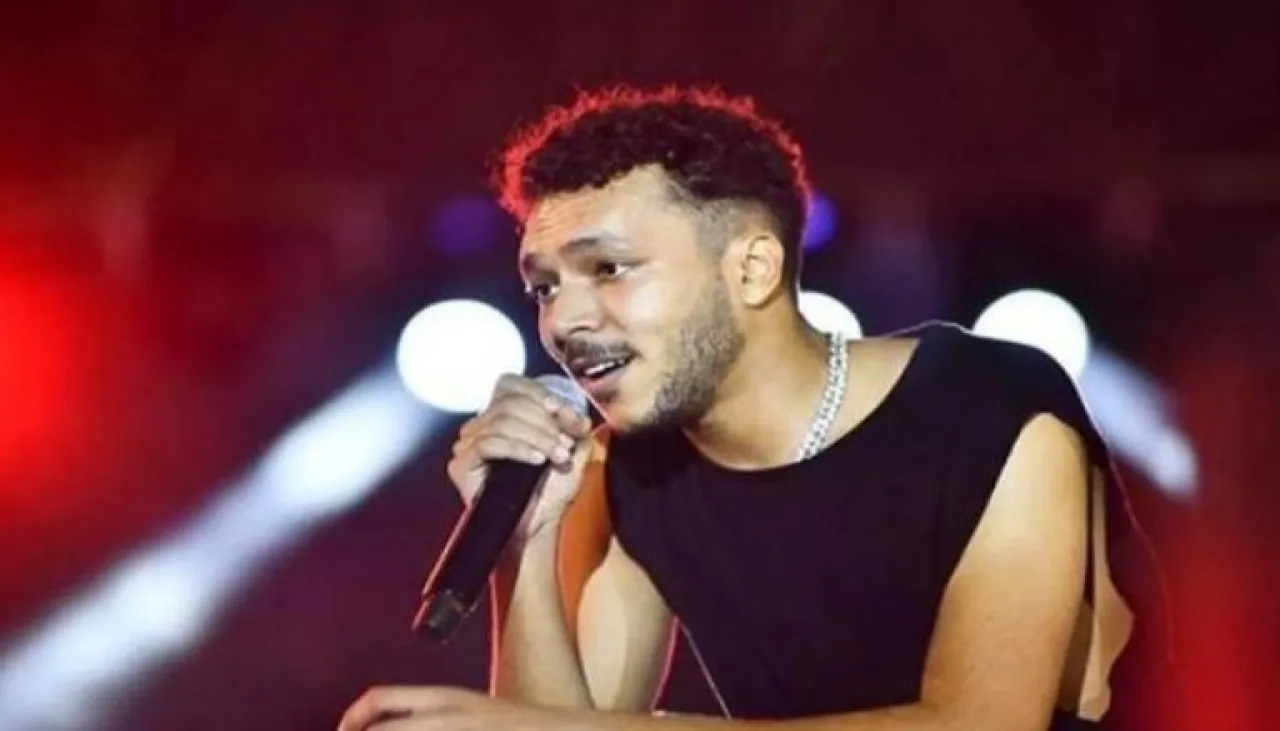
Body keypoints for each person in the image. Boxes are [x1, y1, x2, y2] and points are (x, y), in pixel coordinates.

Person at [340, 85, 1175, 731]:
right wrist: (523, 540)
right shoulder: (639, 469)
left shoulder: (988, 407)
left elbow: (980, 725)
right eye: (544, 287)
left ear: (752, 268)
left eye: (609, 269)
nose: (563, 320)